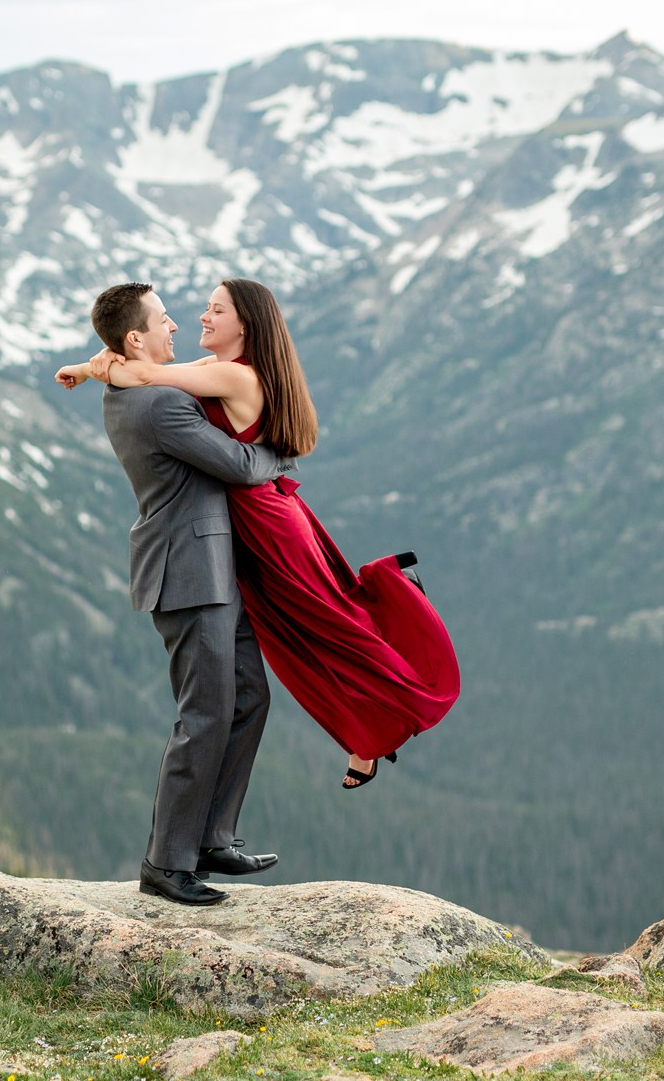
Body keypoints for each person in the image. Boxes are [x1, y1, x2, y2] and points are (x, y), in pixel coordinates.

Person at [57, 278, 460, 792]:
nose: (200, 317)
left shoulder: (232, 376)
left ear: (244, 325)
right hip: (258, 520)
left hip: (268, 524)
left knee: (327, 624)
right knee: (295, 634)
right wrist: (92, 365)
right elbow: (140, 364)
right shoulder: (219, 369)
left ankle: (404, 696)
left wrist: (97, 366)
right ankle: (366, 735)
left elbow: (144, 372)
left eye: (215, 310)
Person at [61, 282, 292, 907]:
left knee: (247, 696)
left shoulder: (139, 385)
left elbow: (153, 370)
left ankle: (213, 837)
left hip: (207, 566)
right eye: (163, 321)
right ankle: (166, 863)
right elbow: (241, 466)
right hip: (188, 571)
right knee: (206, 712)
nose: (175, 329)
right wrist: (282, 452)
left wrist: (97, 364)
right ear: (135, 338)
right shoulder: (160, 404)